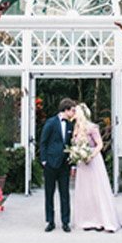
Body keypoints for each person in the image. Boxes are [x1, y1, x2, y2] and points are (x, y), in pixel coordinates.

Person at [71, 103, 122, 232]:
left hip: (93, 162)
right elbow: (74, 144)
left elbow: (100, 145)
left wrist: (90, 155)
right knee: (85, 192)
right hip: (82, 163)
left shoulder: (92, 127)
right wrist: (76, 154)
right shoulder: (76, 128)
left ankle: (102, 220)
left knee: (97, 190)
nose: (74, 114)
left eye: (75, 112)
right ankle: (88, 220)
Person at [39, 97, 76, 232]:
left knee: (65, 194)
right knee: (49, 194)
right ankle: (50, 221)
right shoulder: (50, 123)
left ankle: (65, 222)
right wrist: (44, 161)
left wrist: (73, 164)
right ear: (66, 110)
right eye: (72, 110)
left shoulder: (71, 125)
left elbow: (71, 145)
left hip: (64, 165)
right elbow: (43, 142)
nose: (74, 113)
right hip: (50, 164)